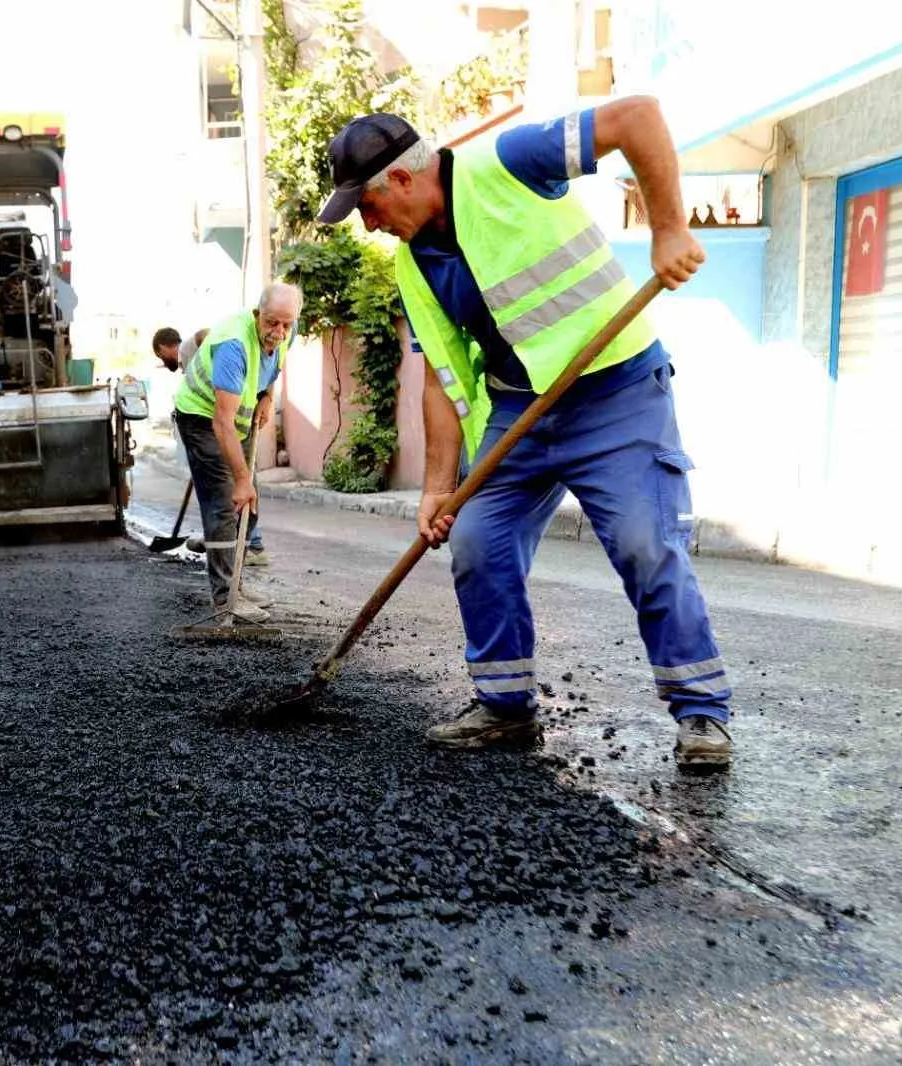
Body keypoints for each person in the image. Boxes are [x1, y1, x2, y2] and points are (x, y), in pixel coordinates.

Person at [318, 98, 732, 771]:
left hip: (614, 390)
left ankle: (701, 714)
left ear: (400, 179)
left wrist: (668, 230)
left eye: (365, 206)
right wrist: (436, 491)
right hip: (520, 412)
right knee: (478, 540)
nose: (368, 224)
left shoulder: (508, 162)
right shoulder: (414, 264)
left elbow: (639, 117)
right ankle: (504, 708)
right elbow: (441, 380)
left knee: (643, 543)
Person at [172, 283, 301, 623]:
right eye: (272, 323)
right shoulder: (234, 345)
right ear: (258, 314)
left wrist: (267, 396)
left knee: (248, 506)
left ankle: (236, 587)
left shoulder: (287, 326)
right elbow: (222, 423)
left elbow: (274, 365)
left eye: (286, 325)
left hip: (235, 425)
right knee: (226, 503)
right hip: (203, 420)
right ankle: (223, 598)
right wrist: (241, 479)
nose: (279, 332)